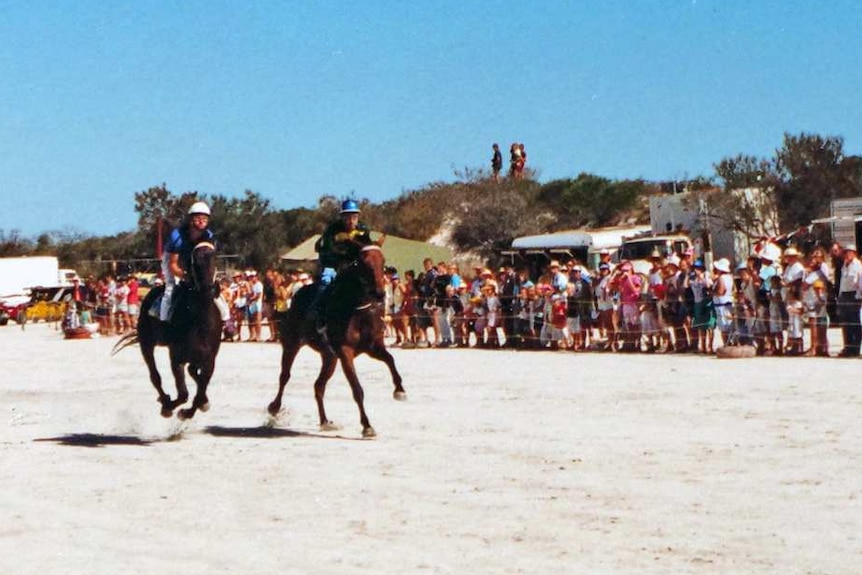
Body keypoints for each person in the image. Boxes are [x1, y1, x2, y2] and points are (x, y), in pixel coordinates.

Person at [311, 199, 373, 332]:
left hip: (354, 264)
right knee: (325, 282)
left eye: (354, 217)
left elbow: (368, 248)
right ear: (342, 217)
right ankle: (320, 316)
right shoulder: (332, 230)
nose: (351, 221)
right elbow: (329, 250)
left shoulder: (363, 230)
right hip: (333, 264)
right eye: (348, 217)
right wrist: (344, 256)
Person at [160, 201, 215, 322]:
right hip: (173, 259)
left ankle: (226, 319)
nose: (201, 221)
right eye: (198, 218)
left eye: (205, 219)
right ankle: (163, 321)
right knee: (170, 290)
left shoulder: (209, 235)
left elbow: (209, 259)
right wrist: (185, 275)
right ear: (190, 220)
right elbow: (173, 264)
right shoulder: (177, 236)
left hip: (195, 259)